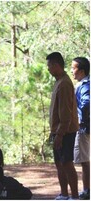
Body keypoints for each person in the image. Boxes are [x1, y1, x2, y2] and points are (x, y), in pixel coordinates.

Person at [46, 52, 79, 200]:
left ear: (56, 65)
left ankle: (75, 196)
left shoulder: (65, 83)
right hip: (57, 130)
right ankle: (64, 194)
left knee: (66, 163)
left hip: (65, 131)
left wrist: (60, 134)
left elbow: (66, 111)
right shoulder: (58, 81)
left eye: (49, 66)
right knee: (59, 163)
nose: (48, 69)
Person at [71, 57, 90, 200]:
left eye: (74, 68)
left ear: (82, 71)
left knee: (84, 160)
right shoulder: (83, 84)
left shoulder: (85, 86)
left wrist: (80, 122)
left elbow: (86, 103)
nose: (72, 71)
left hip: (83, 128)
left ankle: (87, 191)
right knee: (85, 160)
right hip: (83, 127)